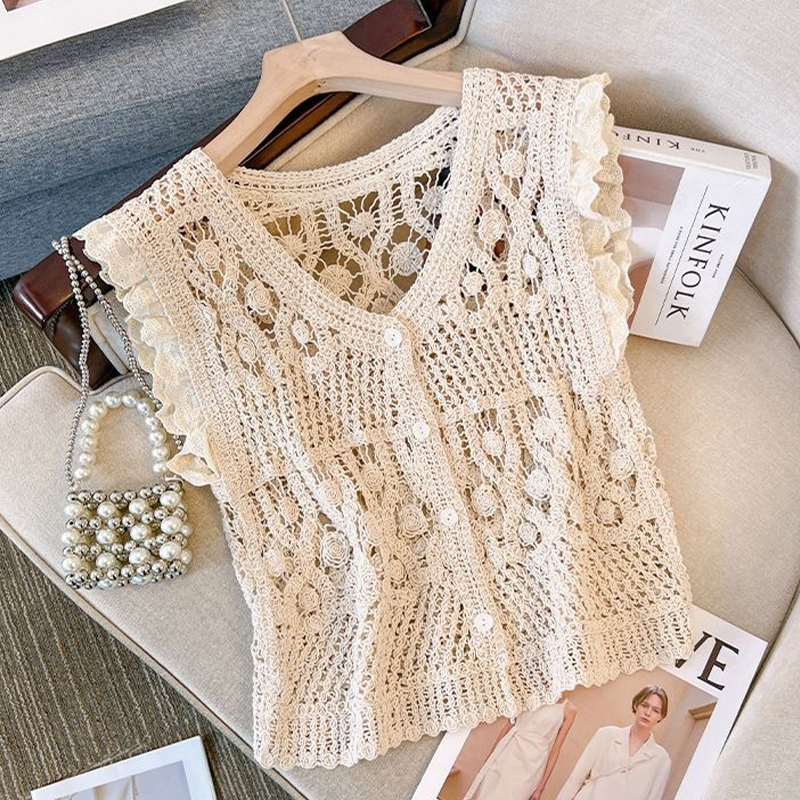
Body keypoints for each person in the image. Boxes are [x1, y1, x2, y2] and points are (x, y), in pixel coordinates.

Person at [554, 686, 672, 800]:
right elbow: (576, 777)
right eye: (644, 705)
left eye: (655, 710)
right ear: (636, 705)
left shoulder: (661, 759)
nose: (648, 712)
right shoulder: (606, 735)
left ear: (661, 716)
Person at [462, 693, 577, 800]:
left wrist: (540, 788)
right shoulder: (528, 691)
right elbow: (508, 726)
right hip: (508, 751)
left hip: (531, 767)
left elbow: (555, 751)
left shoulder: (568, 710)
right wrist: (489, 758)